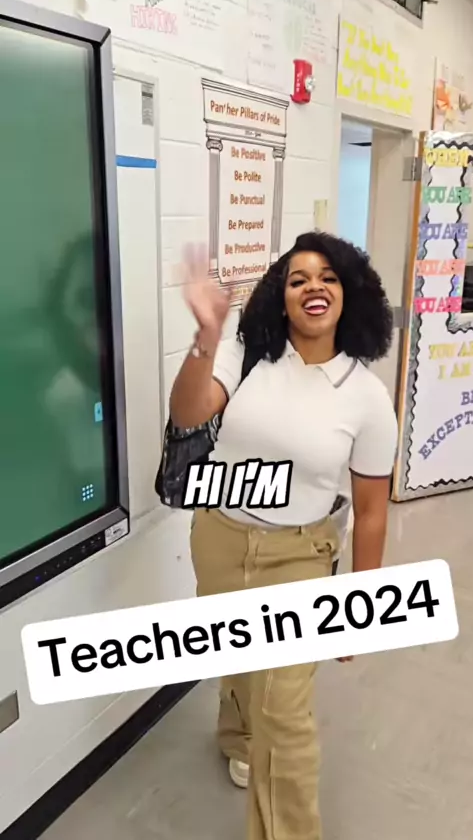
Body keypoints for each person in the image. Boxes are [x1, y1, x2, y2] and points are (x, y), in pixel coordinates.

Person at [169, 231, 398, 840]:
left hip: (299, 555)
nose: (313, 287)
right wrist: (207, 334)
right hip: (219, 535)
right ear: (282, 295)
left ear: (349, 294)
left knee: (286, 715)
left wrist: (362, 608)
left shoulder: (368, 398)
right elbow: (188, 413)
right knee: (236, 658)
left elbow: (371, 511)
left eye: (328, 277)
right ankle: (236, 735)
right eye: (298, 279)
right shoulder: (249, 353)